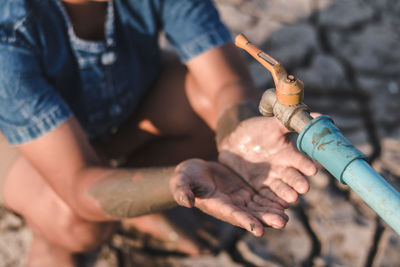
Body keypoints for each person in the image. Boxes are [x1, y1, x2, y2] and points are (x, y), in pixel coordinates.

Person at [0, 0, 317, 266]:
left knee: (211, 105)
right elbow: (78, 183)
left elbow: (224, 83)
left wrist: (239, 135)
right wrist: (172, 183)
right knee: (75, 222)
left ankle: (132, 201)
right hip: (25, 140)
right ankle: (51, 241)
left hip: (121, 106)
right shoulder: (8, 32)